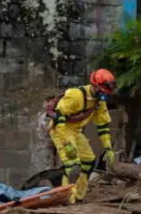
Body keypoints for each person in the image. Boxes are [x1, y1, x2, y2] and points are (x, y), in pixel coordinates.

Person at [49, 69, 117, 204]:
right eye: (103, 91)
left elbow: (102, 125)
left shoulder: (99, 102)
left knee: (89, 162)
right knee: (72, 165)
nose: (105, 95)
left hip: (75, 131)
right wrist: (66, 143)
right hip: (61, 129)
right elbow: (59, 118)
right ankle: (64, 198)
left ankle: (78, 197)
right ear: (95, 86)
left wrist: (108, 147)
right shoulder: (75, 96)